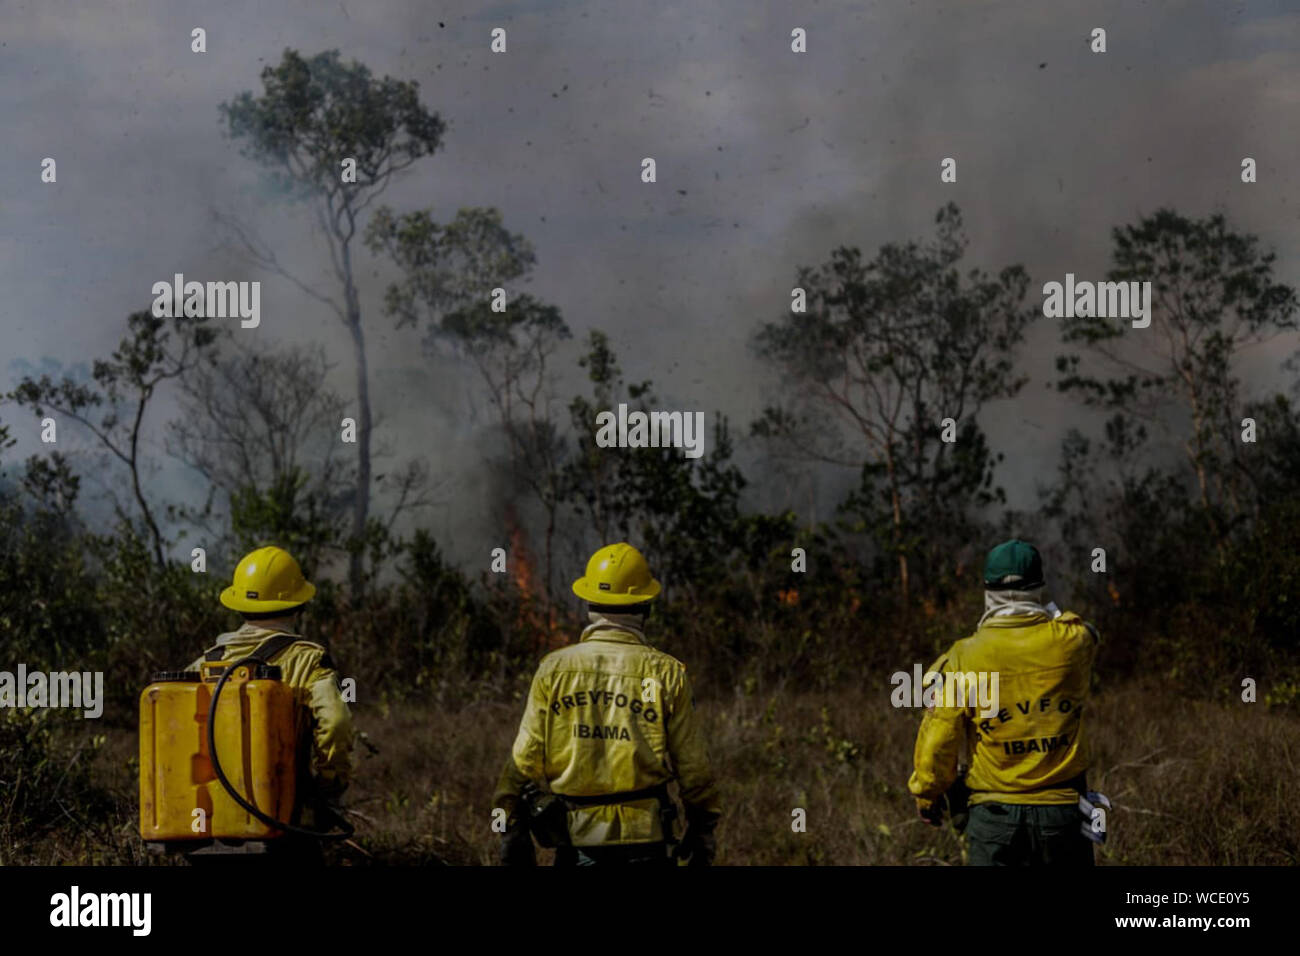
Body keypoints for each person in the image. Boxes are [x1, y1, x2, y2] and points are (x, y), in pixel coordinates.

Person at [494, 542, 721, 865]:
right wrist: (703, 828)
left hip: (577, 844)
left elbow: (524, 758)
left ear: (589, 604)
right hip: (647, 844)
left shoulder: (553, 671)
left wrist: (508, 822)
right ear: (646, 607)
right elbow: (694, 767)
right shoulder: (667, 673)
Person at [908, 539, 1100, 865]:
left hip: (994, 819)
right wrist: (1051, 614)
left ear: (988, 592)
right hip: (1064, 816)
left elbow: (939, 739)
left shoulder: (963, 657)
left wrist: (927, 795)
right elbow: (1089, 631)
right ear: (1039, 587)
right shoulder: (1074, 642)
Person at [187, 545, 354, 862]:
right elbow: (336, 724)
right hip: (282, 828)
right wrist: (330, 786)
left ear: (238, 606)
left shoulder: (200, 665)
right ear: (298, 607)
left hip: (205, 833)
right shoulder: (308, 661)